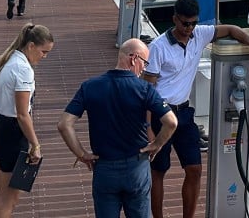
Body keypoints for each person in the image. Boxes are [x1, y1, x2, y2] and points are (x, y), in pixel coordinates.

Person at [143, 0, 249, 218]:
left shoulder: (199, 35)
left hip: (184, 112)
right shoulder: (158, 48)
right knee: (158, 172)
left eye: (193, 23)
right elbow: (147, 91)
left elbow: (232, 28)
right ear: (174, 19)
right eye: (184, 23)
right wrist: (148, 128)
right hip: (161, 114)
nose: (189, 28)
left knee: (195, 169)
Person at [57, 38, 178, 218]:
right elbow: (171, 122)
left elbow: (64, 124)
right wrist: (156, 144)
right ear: (133, 58)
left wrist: (82, 154)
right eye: (144, 62)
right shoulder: (144, 88)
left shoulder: (90, 86)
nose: (144, 68)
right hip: (136, 166)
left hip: (104, 168)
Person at [0, 23, 54, 218]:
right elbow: (23, 114)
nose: (44, 57)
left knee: (1, 189)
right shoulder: (23, 70)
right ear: (31, 46)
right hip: (13, 134)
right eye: (43, 52)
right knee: (10, 199)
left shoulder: (5, 61)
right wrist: (35, 144)